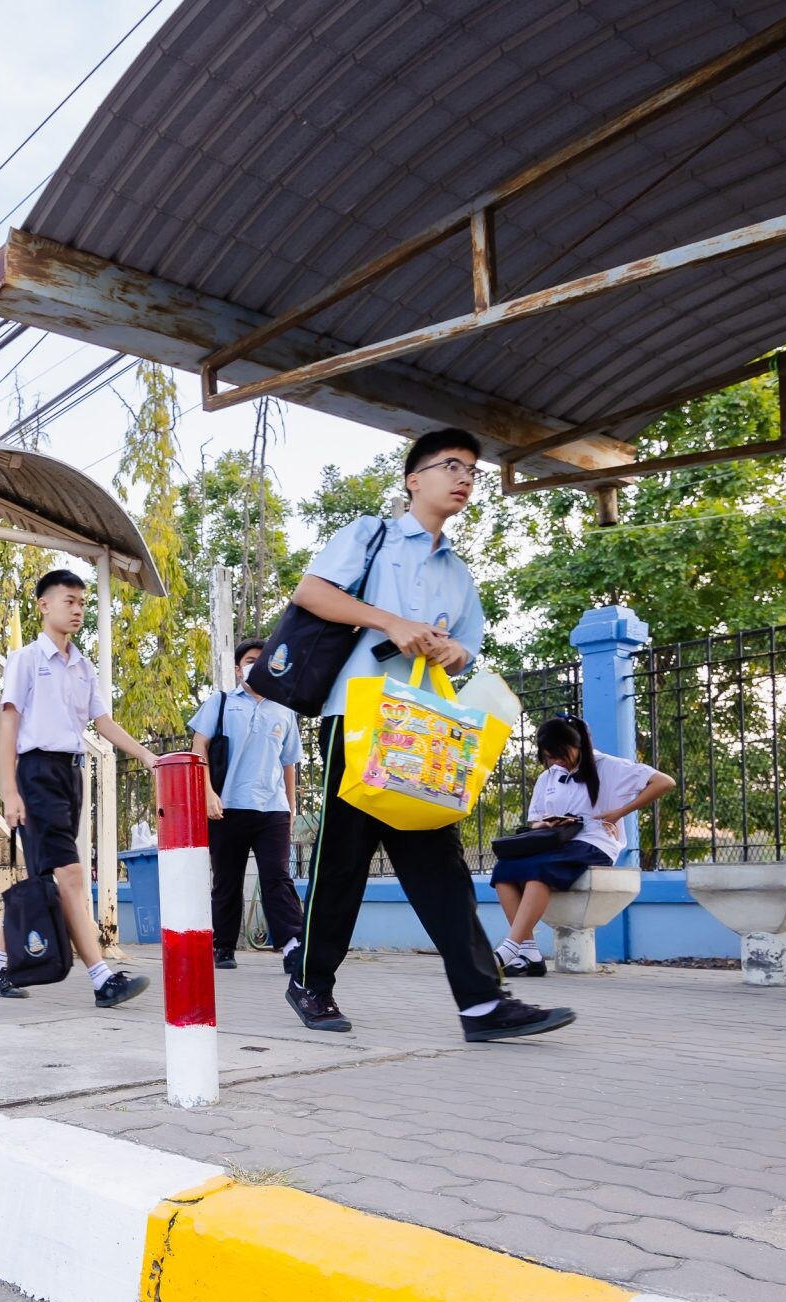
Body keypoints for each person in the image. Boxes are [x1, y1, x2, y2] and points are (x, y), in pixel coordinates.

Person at [284, 427, 572, 1042]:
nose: (464, 478)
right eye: (450, 466)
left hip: (423, 734)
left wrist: (451, 651)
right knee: (342, 863)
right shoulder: (371, 535)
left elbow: (470, 648)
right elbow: (310, 592)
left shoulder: (460, 574)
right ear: (414, 479)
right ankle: (311, 982)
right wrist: (389, 620)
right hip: (355, 720)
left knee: (441, 868)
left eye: (472, 470)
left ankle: (481, 1005)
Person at [0, 568, 154, 1008]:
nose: (77, 609)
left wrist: (149, 758)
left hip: (70, 775)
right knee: (71, 874)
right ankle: (102, 979)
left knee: (44, 879)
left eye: (81, 602)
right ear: (44, 605)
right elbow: (9, 722)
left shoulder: (82, 665)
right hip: (35, 773)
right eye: (68, 601)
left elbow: (103, 722)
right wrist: (9, 789)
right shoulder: (27, 659)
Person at [490, 716, 674, 976]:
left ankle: (509, 947)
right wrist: (545, 825)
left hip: (594, 842)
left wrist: (620, 812)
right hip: (558, 844)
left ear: (580, 745)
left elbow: (664, 782)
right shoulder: (549, 777)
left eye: (560, 754)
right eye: (549, 756)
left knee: (539, 871)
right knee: (503, 871)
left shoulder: (610, 767)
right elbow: (534, 820)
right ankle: (529, 954)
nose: (556, 761)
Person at [190, 637, 304, 969]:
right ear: (239, 668)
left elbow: (289, 763)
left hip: (272, 809)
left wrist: (291, 805)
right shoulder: (221, 702)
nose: (257, 664)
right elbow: (200, 748)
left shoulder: (284, 709)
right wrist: (208, 793)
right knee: (226, 880)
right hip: (227, 807)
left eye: (263, 659)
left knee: (277, 877)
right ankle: (223, 946)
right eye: (251, 659)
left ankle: (293, 946)